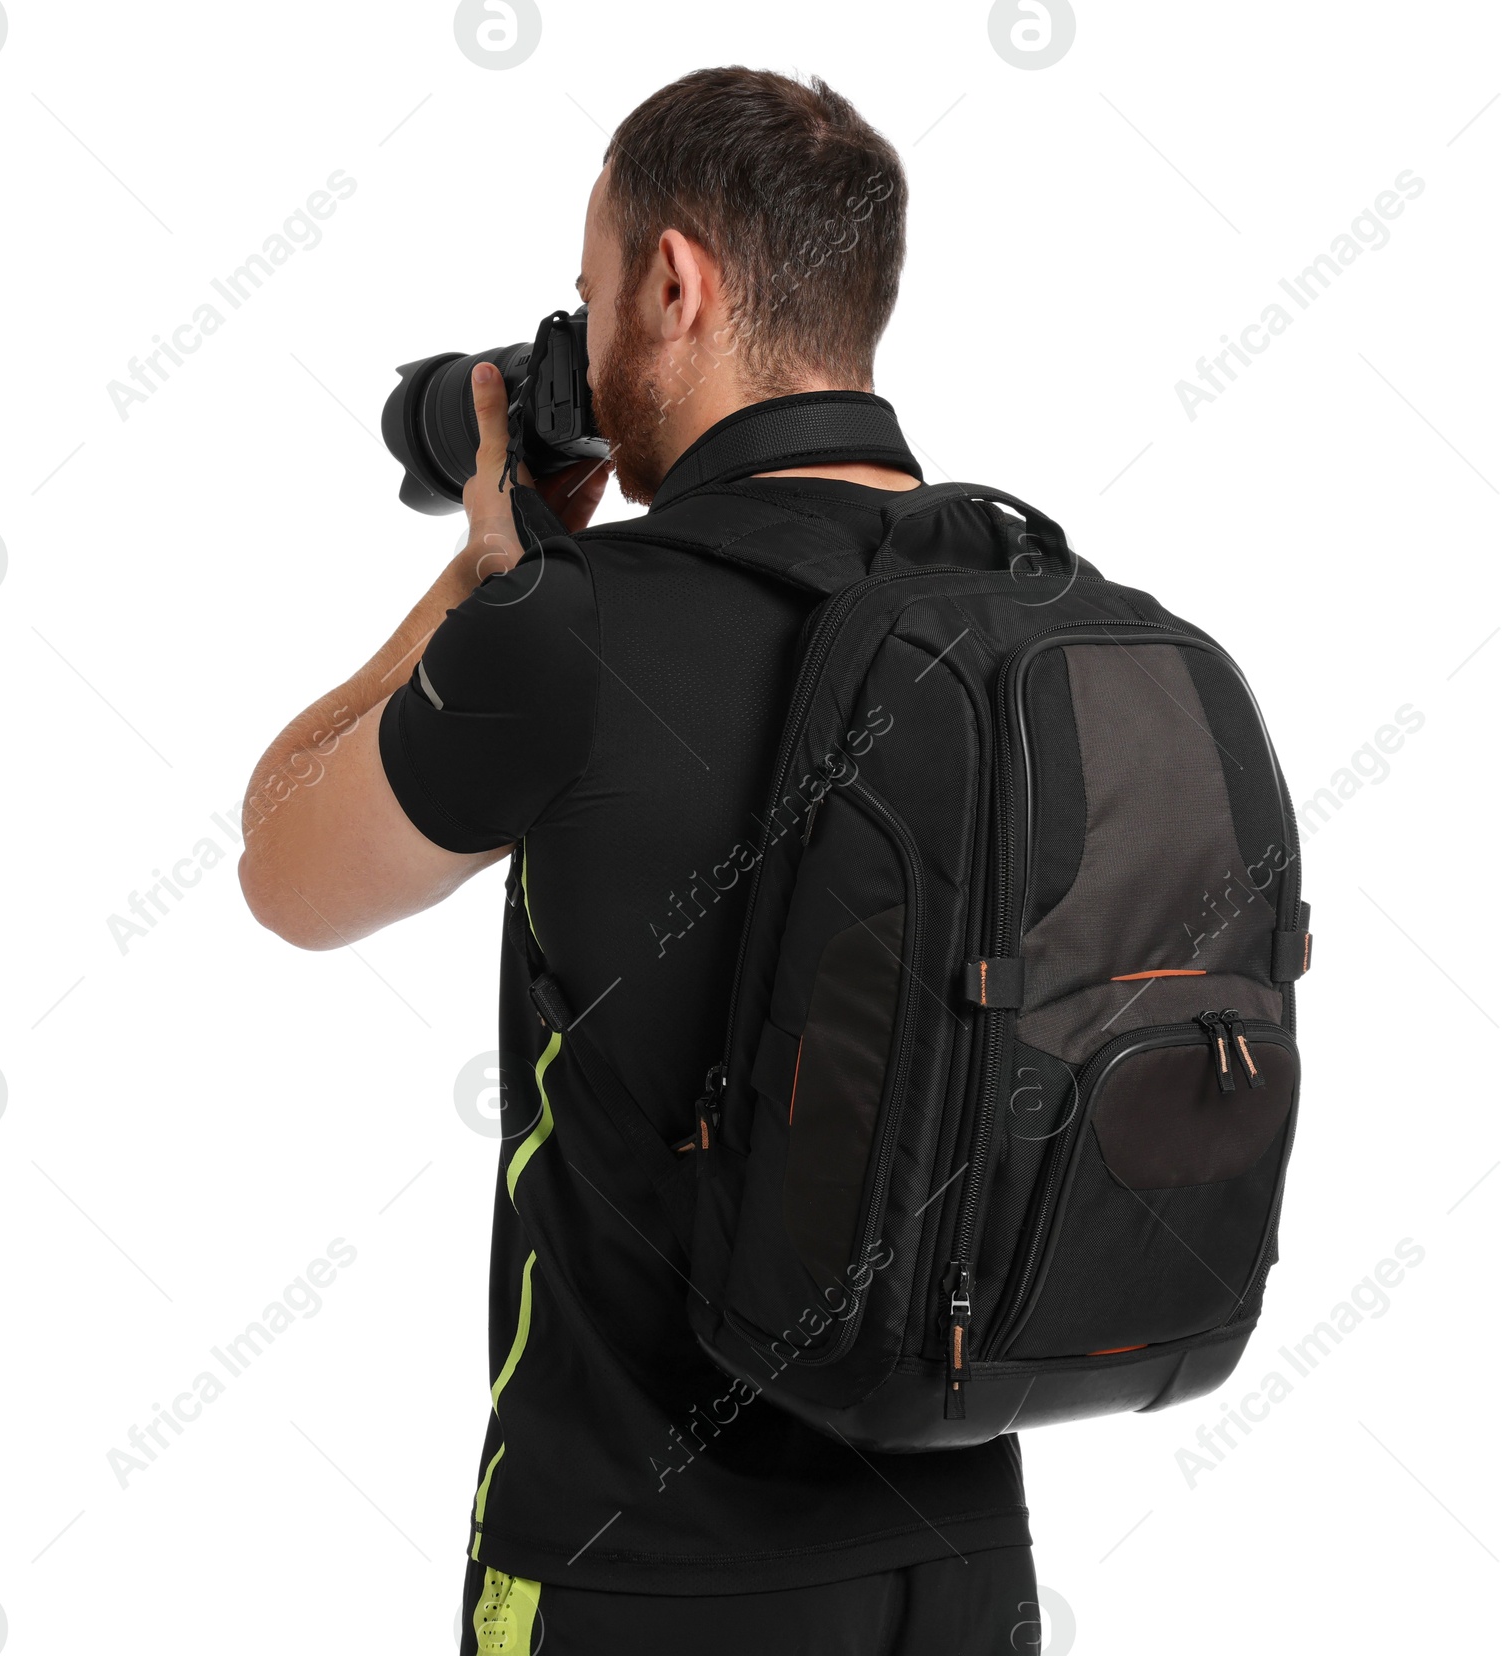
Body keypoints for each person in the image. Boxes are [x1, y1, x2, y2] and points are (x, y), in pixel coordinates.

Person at [239, 66, 1037, 1656]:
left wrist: (489, 575)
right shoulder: (1028, 602)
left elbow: (284, 858)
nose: (584, 342)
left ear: (678, 282)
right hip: (958, 1567)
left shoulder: (578, 630)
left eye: (593, 291)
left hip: (635, 1574)